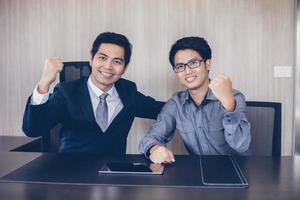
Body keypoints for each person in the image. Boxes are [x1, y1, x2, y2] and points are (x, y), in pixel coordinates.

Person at [22, 32, 164, 155]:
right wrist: (44, 83)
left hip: (112, 175)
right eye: (102, 58)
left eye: (117, 61)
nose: (108, 66)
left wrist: (186, 97)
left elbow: (161, 109)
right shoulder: (67, 92)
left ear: (125, 67)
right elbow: (33, 129)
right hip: (71, 174)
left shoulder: (128, 91)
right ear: (91, 58)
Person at [138, 36, 251, 164]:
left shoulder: (234, 97)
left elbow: (241, 145)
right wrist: (154, 148)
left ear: (208, 64)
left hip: (237, 171)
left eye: (193, 63)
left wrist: (229, 105)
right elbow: (151, 137)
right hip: (200, 172)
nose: (187, 71)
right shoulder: (176, 103)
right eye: (180, 66)